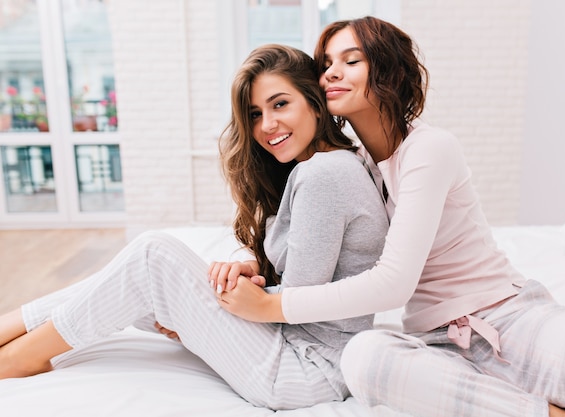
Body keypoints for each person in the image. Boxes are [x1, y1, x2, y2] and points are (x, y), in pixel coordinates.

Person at [214, 17, 565, 417]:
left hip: (509, 318)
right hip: (437, 343)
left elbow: (392, 283)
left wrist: (271, 306)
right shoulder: (351, 165)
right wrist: (263, 269)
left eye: (351, 61)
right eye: (326, 65)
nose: (331, 74)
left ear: (387, 71)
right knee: (363, 357)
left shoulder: (430, 149)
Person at [0, 44, 388, 410]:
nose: (268, 125)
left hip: (308, 369)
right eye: (255, 114)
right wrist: (248, 276)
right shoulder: (325, 166)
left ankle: (20, 357)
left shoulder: (324, 173)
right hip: (296, 350)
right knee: (126, 283)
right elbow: (308, 273)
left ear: (316, 106)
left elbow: (298, 301)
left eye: (280, 104)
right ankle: (11, 329)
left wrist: (226, 303)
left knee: (152, 257)